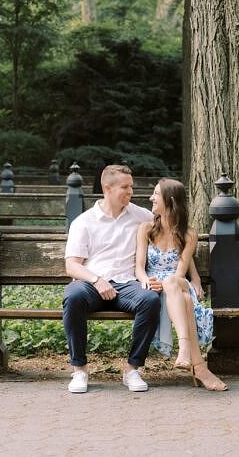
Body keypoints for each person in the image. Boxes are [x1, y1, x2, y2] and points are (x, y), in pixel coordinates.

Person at [62, 164, 159, 393]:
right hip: (92, 285)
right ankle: (79, 369)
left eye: (131, 187)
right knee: (73, 296)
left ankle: (132, 368)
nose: (131, 192)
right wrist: (96, 280)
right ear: (107, 188)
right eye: (125, 187)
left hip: (128, 284)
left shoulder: (142, 216)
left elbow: (169, 240)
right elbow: (72, 265)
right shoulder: (84, 221)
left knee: (150, 300)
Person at [136, 178, 227, 391]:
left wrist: (188, 281)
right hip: (154, 287)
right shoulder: (146, 228)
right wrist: (146, 281)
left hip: (177, 282)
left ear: (170, 200)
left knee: (173, 284)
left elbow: (180, 272)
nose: (151, 198)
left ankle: (186, 350)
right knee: (184, 299)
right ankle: (199, 366)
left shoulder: (188, 234)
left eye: (156, 194)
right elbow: (139, 267)